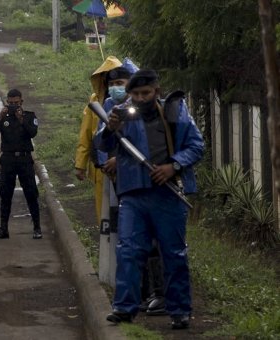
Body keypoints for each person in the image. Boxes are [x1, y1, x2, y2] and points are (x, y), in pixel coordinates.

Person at [95, 70, 204, 329]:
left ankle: (179, 310)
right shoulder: (119, 113)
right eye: (135, 94)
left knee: (173, 253)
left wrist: (173, 165)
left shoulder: (175, 112)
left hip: (168, 193)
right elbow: (99, 143)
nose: (140, 99)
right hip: (133, 193)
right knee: (129, 250)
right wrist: (109, 129)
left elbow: (196, 146)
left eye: (146, 93)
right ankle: (124, 307)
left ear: (157, 91)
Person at [74, 56, 122, 226]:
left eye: (119, 82)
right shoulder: (95, 102)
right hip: (101, 167)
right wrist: (80, 164)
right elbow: (86, 133)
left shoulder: (130, 102)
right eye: (111, 82)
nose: (115, 87)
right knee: (104, 213)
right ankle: (105, 246)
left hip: (123, 165)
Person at [0, 89, 42, 240]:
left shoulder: (29, 116)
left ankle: (37, 228)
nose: (13, 106)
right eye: (10, 103)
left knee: (31, 193)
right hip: (8, 159)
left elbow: (33, 133)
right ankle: (3, 228)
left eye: (16, 103)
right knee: (5, 194)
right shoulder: (4, 117)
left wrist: (21, 120)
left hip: (24, 159)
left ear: (21, 102)